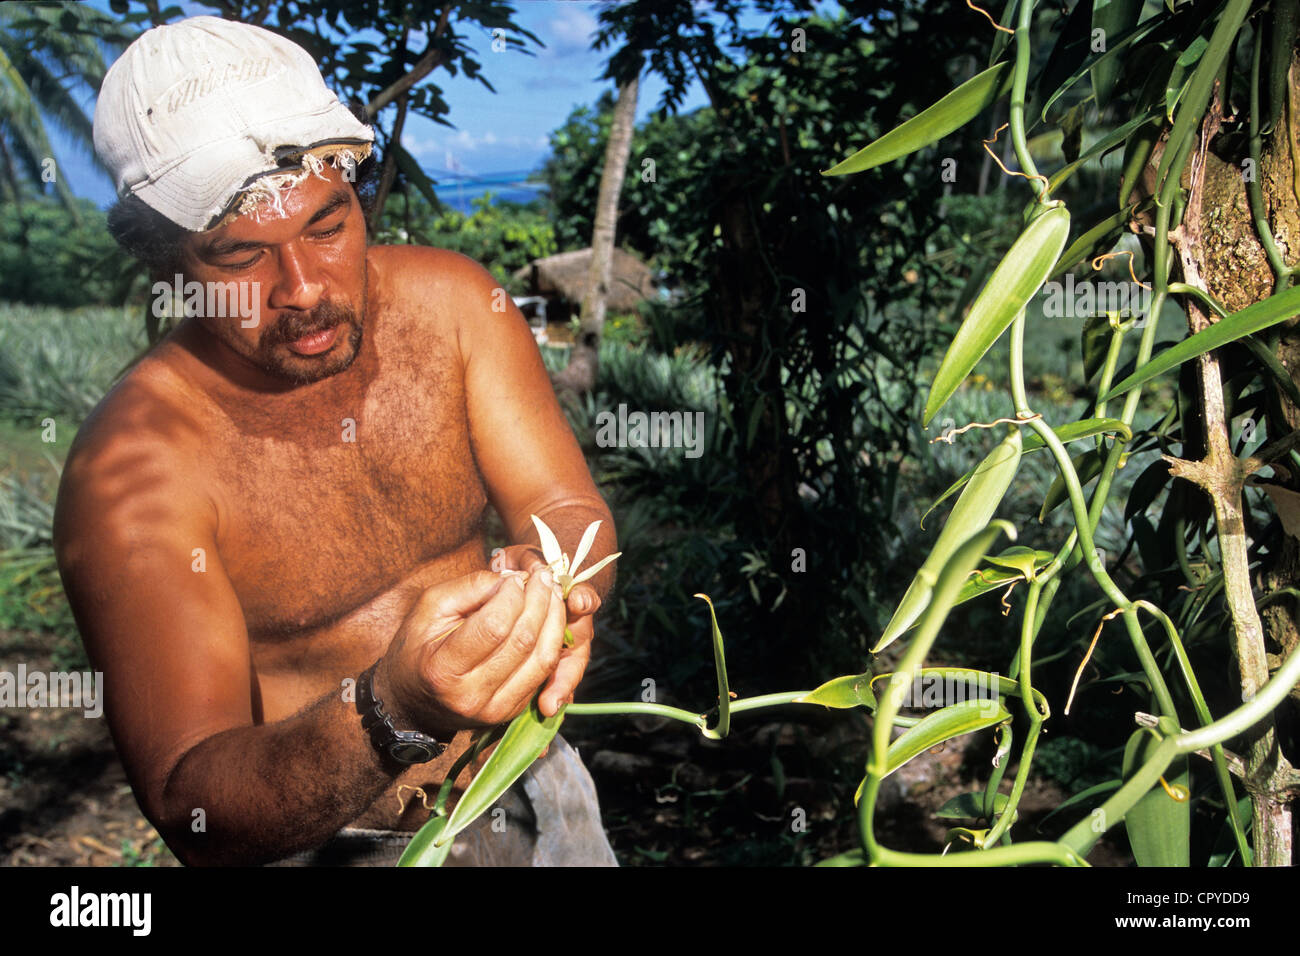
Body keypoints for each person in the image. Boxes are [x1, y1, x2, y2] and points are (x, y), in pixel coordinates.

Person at [53, 15, 619, 866]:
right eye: (239, 256)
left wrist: (560, 594)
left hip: (533, 782)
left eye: (327, 225)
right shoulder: (136, 469)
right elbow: (188, 796)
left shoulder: (458, 308)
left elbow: (560, 503)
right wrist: (390, 715)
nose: (303, 289)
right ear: (164, 264)